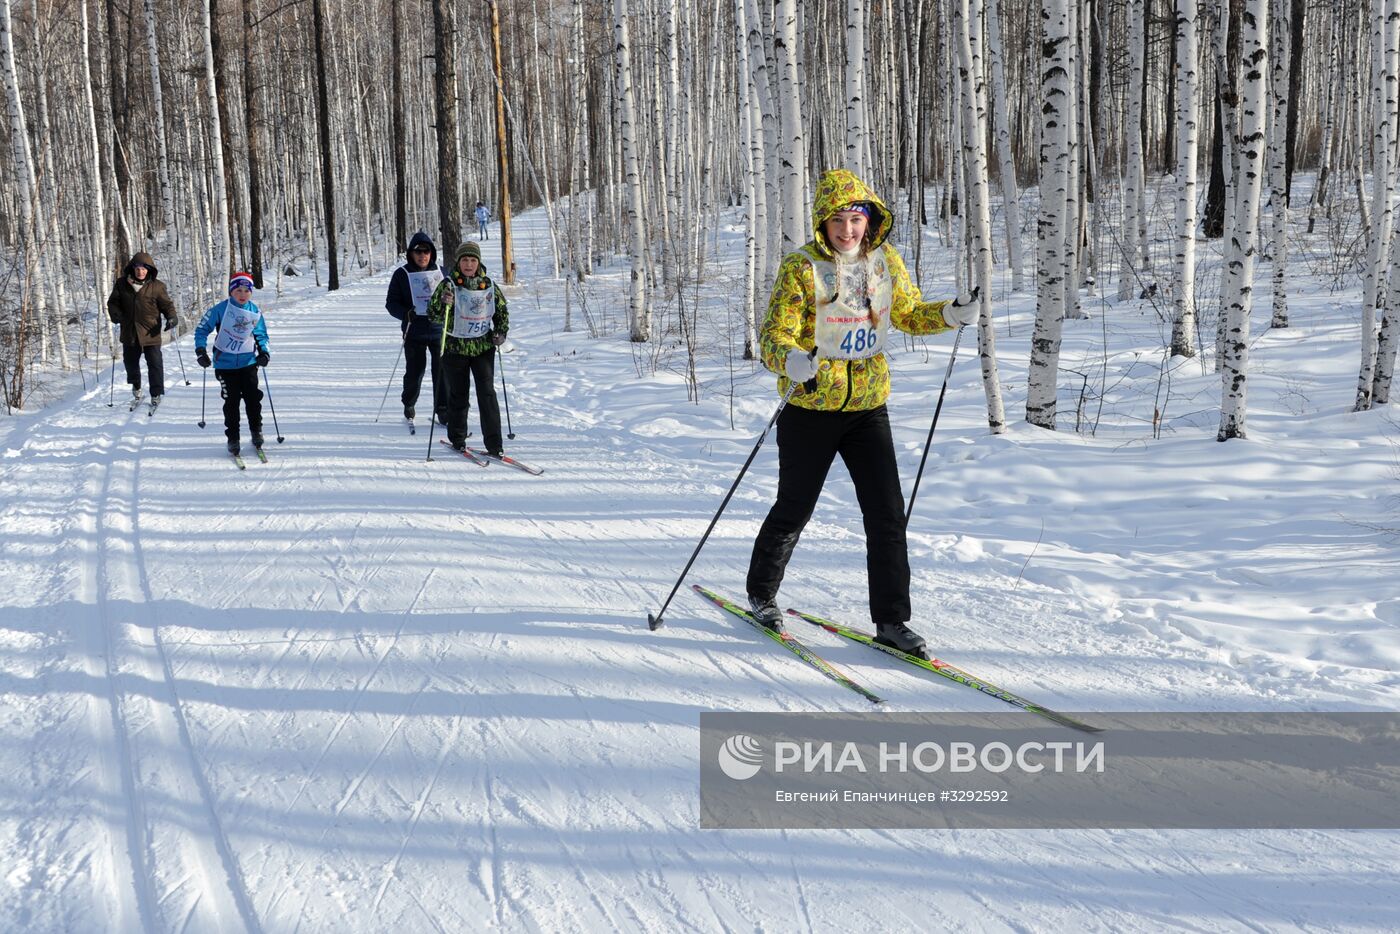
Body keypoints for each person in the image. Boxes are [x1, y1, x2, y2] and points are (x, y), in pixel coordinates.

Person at [745, 169, 979, 659]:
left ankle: (891, 621)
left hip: (868, 407)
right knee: (794, 509)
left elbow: (909, 314)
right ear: (822, 223)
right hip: (810, 407)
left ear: (869, 220)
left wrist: (951, 314)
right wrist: (790, 360)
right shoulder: (802, 267)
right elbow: (773, 336)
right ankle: (762, 595)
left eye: (855, 219)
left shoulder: (884, 260)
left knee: (887, 514)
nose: (847, 230)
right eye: (838, 221)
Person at [426, 242, 508, 456]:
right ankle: (457, 438)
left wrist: (500, 332)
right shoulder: (449, 285)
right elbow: (433, 315)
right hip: (455, 348)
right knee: (458, 395)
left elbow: (501, 312)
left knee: (487, 395)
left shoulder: (488, 285)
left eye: (473, 260)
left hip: (483, 348)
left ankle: (495, 444)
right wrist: (443, 303)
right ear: (458, 262)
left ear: (478, 262)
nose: (469, 264)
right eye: (465, 260)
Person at [194, 273, 271, 456]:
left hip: (248, 363)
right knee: (232, 401)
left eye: (246, 291)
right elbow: (202, 330)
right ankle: (233, 438)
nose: (242, 294)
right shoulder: (220, 309)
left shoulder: (254, 311)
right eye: (238, 290)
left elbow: (261, 334)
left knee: (253, 399)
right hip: (225, 365)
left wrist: (264, 352)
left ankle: (256, 431)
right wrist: (200, 351)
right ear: (231, 291)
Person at [385, 231, 447, 424]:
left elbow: (455, 297)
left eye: (426, 251)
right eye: (418, 252)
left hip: (439, 330)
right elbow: (391, 303)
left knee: (441, 371)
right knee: (415, 371)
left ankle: (443, 410)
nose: (422, 256)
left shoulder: (442, 272)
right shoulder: (401, 274)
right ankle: (409, 403)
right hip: (414, 331)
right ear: (411, 253)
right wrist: (405, 313)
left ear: (431, 253)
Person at [106, 251, 177, 411]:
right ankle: (136, 388)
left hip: (151, 331)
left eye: (144, 268)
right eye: (137, 268)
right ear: (133, 268)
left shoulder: (157, 286)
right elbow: (113, 303)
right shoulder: (122, 284)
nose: (140, 272)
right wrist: (115, 314)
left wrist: (172, 317)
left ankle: (156, 394)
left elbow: (167, 305)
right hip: (130, 332)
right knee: (130, 364)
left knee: (155, 364)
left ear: (149, 269)